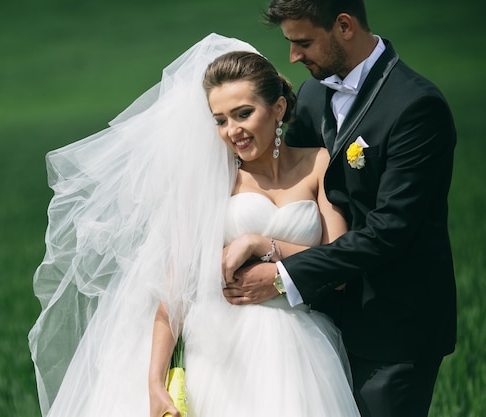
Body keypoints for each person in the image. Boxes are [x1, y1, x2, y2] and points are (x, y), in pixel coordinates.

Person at [28, 33, 360, 417]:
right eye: (220, 120)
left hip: (300, 348)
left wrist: (260, 244)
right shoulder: (210, 182)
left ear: (278, 107)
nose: (231, 130)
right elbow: (174, 291)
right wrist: (154, 382)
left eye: (243, 113)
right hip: (221, 354)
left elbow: (340, 269)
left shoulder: (318, 163)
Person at [224, 1, 457, 416]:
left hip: (392, 327)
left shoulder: (416, 108)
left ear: (344, 26)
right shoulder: (314, 93)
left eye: (303, 43)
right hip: (320, 326)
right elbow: (287, 175)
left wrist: (280, 273)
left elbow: (389, 231)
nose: (293, 57)